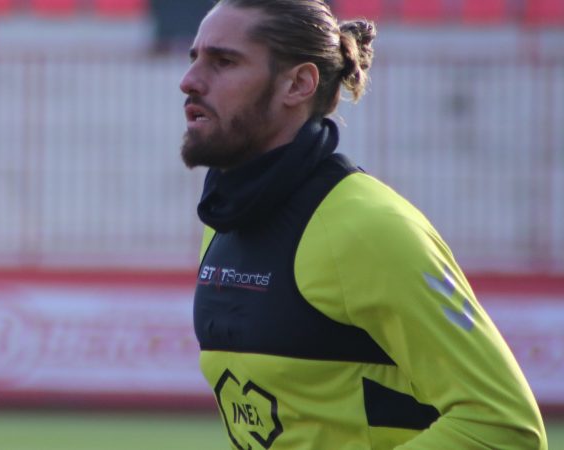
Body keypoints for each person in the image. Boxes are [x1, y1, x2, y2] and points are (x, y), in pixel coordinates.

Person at [179, 1, 548, 449]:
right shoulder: (223, 223)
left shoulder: (368, 228)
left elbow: (503, 428)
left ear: (298, 83)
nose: (190, 81)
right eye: (195, 58)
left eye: (223, 62)